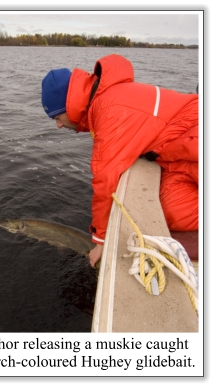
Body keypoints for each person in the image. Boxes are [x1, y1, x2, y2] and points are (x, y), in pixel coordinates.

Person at [41, 54, 198, 268]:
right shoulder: (103, 102)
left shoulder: (109, 110)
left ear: (68, 106)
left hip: (197, 141)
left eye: (57, 117)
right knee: (171, 212)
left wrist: (100, 241)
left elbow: (105, 180)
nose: (58, 125)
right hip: (177, 155)